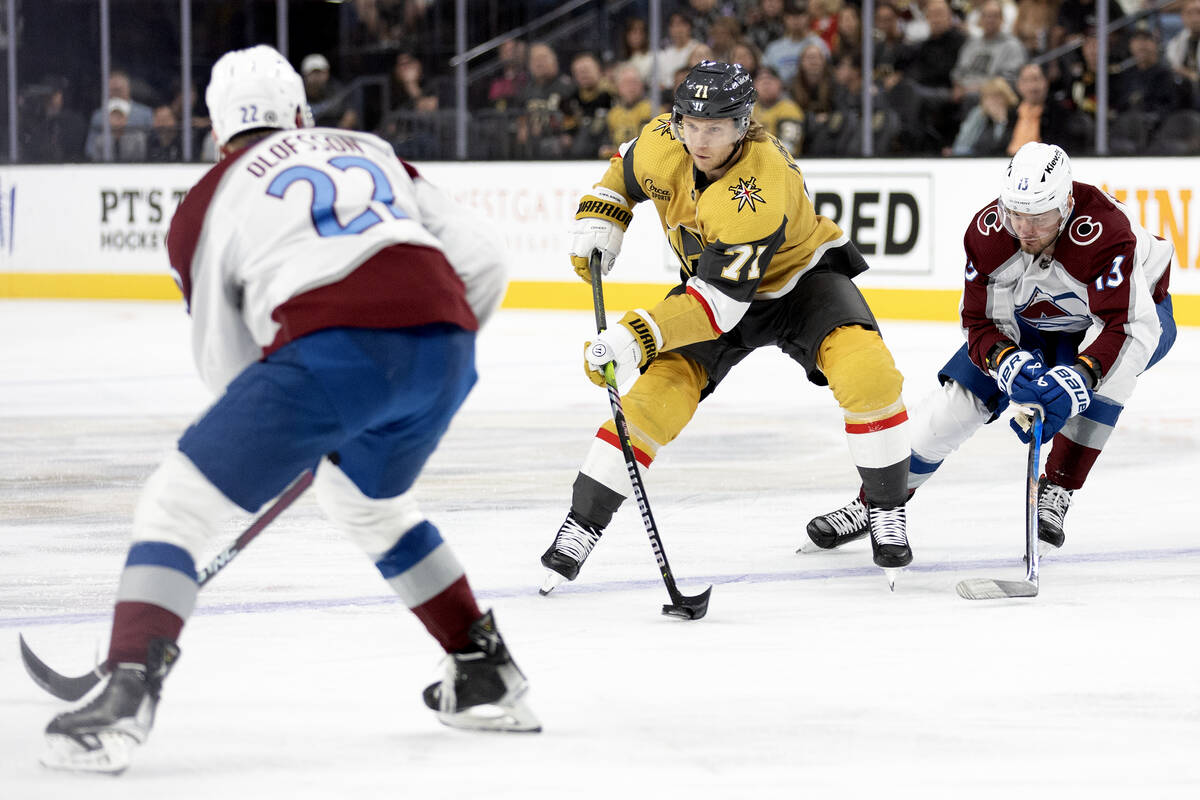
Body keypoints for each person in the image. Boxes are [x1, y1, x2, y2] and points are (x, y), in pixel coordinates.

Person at [41, 44, 539, 776]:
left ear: (218, 131)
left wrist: (297, 426)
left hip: (333, 356)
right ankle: (484, 670)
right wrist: (438, 343)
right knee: (366, 503)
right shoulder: (375, 150)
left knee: (176, 507)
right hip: (445, 349)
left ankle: (123, 694)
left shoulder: (209, 198)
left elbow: (225, 357)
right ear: (302, 114)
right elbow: (486, 259)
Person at [538, 60, 914, 593]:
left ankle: (885, 508)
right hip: (712, 287)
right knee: (651, 400)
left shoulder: (758, 186)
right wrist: (605, 214)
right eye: (690, 124)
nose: (699, 139)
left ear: (743, 124)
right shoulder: (664, 140)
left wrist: (634, 335)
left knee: (868, 375)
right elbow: (625, 169)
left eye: (714, 128)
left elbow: (720, 307)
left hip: (799, 285)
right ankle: (582, 524)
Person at [806, 142, 1176, 557]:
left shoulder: (1105, 232)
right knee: (956, 407)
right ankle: (876, 502)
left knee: (1105, 382)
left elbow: (1125, 327)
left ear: (1067, 205)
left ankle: (1058, 487)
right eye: (1016, 214)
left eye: (1038, 218)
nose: (1024, 230)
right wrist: (1006, 360)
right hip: (1032, 321)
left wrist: (1082, 374)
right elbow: (982, 323)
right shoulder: (989, 233)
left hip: (1129, 319)